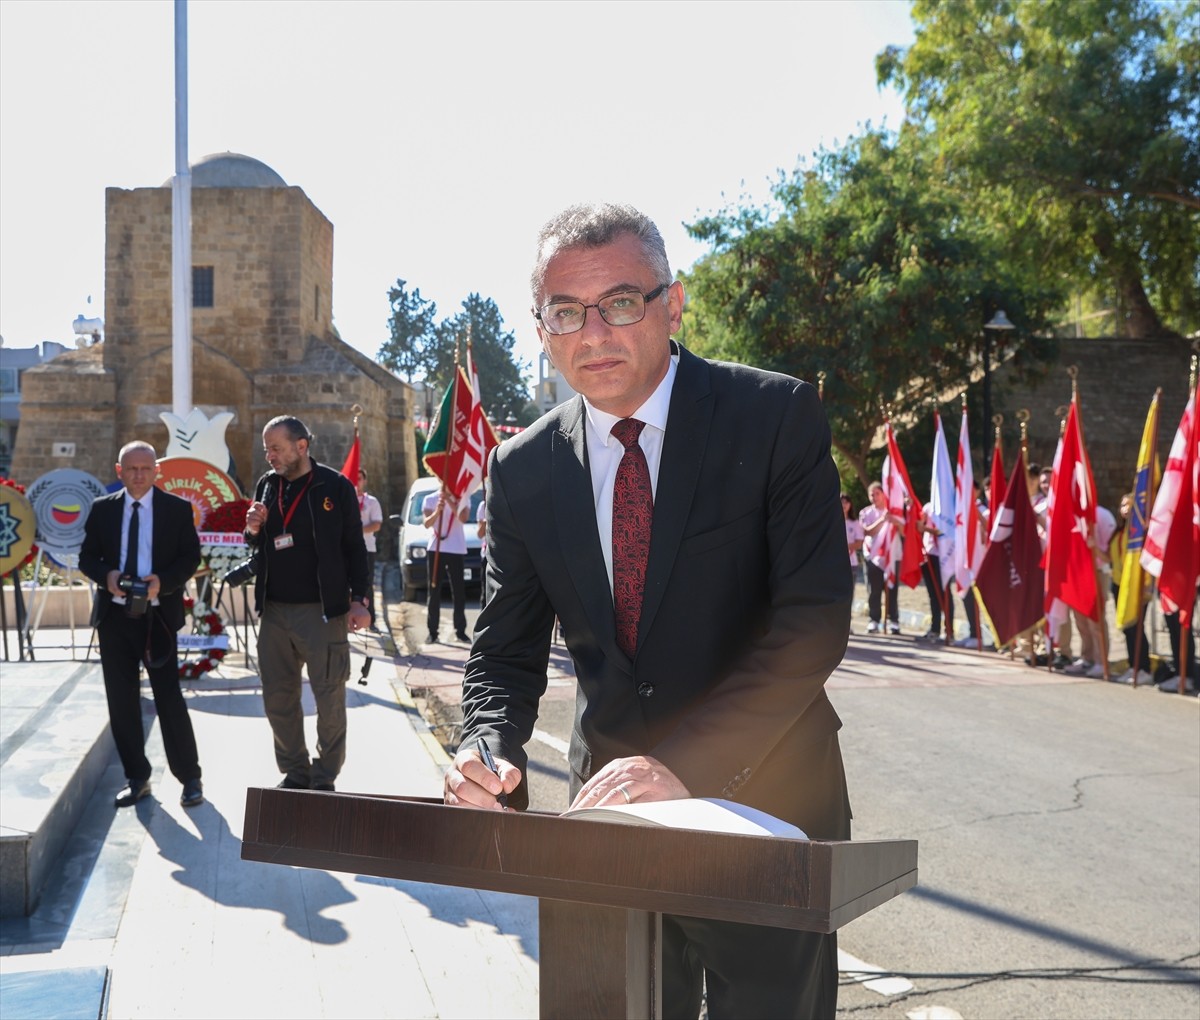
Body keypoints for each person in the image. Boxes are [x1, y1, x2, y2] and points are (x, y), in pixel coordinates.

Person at [443, 203, 852, 1019]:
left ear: (673, 303)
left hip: (768, 808)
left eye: (621, 302)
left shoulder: (773, 416)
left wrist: (686, 770)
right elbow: (504, 651)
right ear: (542, 328)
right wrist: (486, 744)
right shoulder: (522, 469)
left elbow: (811, 624)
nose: (592, 334)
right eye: (566, 312)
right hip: (608, 829)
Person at [244, 416, 371, 791]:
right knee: (277, 700)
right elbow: (259, 544)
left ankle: (324, 776)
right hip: (275, 612)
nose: (270, 456)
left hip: (322, 612)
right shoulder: (267, 485)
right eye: (267, 449)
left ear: (302, 446)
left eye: (276, 448)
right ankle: (295, 771)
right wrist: (252, 529)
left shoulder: (335, 486)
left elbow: (355, 548)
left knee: (329, 699)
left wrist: (360, 600)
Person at [79, 440, 204, 808]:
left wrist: (162, 582)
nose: (138, 475)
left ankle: (190, 778)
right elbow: (87, 557)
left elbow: (190, 558)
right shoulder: (102, 510)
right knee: (121, 702)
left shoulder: (176, 509)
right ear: (119, 471)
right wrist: (108, 575)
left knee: (169, 698)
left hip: (158, 618)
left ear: (156, 471)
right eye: (131, 469)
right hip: (115, 619)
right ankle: (137, 778)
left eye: (145, 469)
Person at [1109, 492, 1153, 684]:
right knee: (1127, 628)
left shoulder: (1140, 533)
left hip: (1136, 586)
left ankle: (1144, 668)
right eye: (1122, 505)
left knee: (1137, 627)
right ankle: (1132, 665)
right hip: (1119, 583)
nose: (1125, 509)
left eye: (1129, 505)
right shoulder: (1118, 532)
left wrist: (1147, 587)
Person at [422, 486, 471, 643]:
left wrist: (450, 501)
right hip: (436, 549)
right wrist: (437, 511)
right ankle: (432, 631)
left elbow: (463, 518)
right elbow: (427, 523)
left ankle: (461, 630)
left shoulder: (463, 498)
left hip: (456, 549)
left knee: (458, 591)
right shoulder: (430, 498)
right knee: (434, 590)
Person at [859, 482, 901, 634]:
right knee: (874, 590)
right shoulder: (865, 512)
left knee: (892, 588)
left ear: (884, 494)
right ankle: (874, 620)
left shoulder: (893, 512)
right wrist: (882, 520)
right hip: (872, 556)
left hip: (892, 555)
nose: (875, 497)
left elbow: (904, 531)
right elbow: (867, 532)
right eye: (872, 494)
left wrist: (894, 520)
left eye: (877, 493)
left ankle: (893, 620)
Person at [356, 469, 383, 630]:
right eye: (354, 478)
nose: (357, 482)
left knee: (367, 584)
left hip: (367, 548)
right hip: (347, 549)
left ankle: (370, 620)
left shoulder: (372, 502)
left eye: (359, 479)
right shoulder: (345, 500)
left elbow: (376, 524)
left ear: (364, 481)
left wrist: (356, 530)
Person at [842, 492, 864, 590]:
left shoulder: (855, 523)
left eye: (846, 502)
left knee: (849, 593)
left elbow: (859, 543)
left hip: (851, 563)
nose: (844, 505)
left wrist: (845, 547)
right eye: (841, 502)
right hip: (834, 563)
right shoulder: (831, 523)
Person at [476, 484, 489, 610]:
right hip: (487, 555)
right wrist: (485, 521)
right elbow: (480, 534)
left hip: (503, 554)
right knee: (485, 591)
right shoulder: (482, 506)